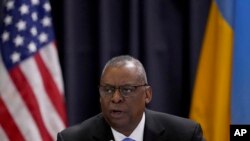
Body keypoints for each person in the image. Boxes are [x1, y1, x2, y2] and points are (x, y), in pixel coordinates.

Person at [57, 55, 204, 141]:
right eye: (107, 90)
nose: (115, 98)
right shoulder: (72, 139)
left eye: (126, 90)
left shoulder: (185, 136)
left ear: (147, 95)